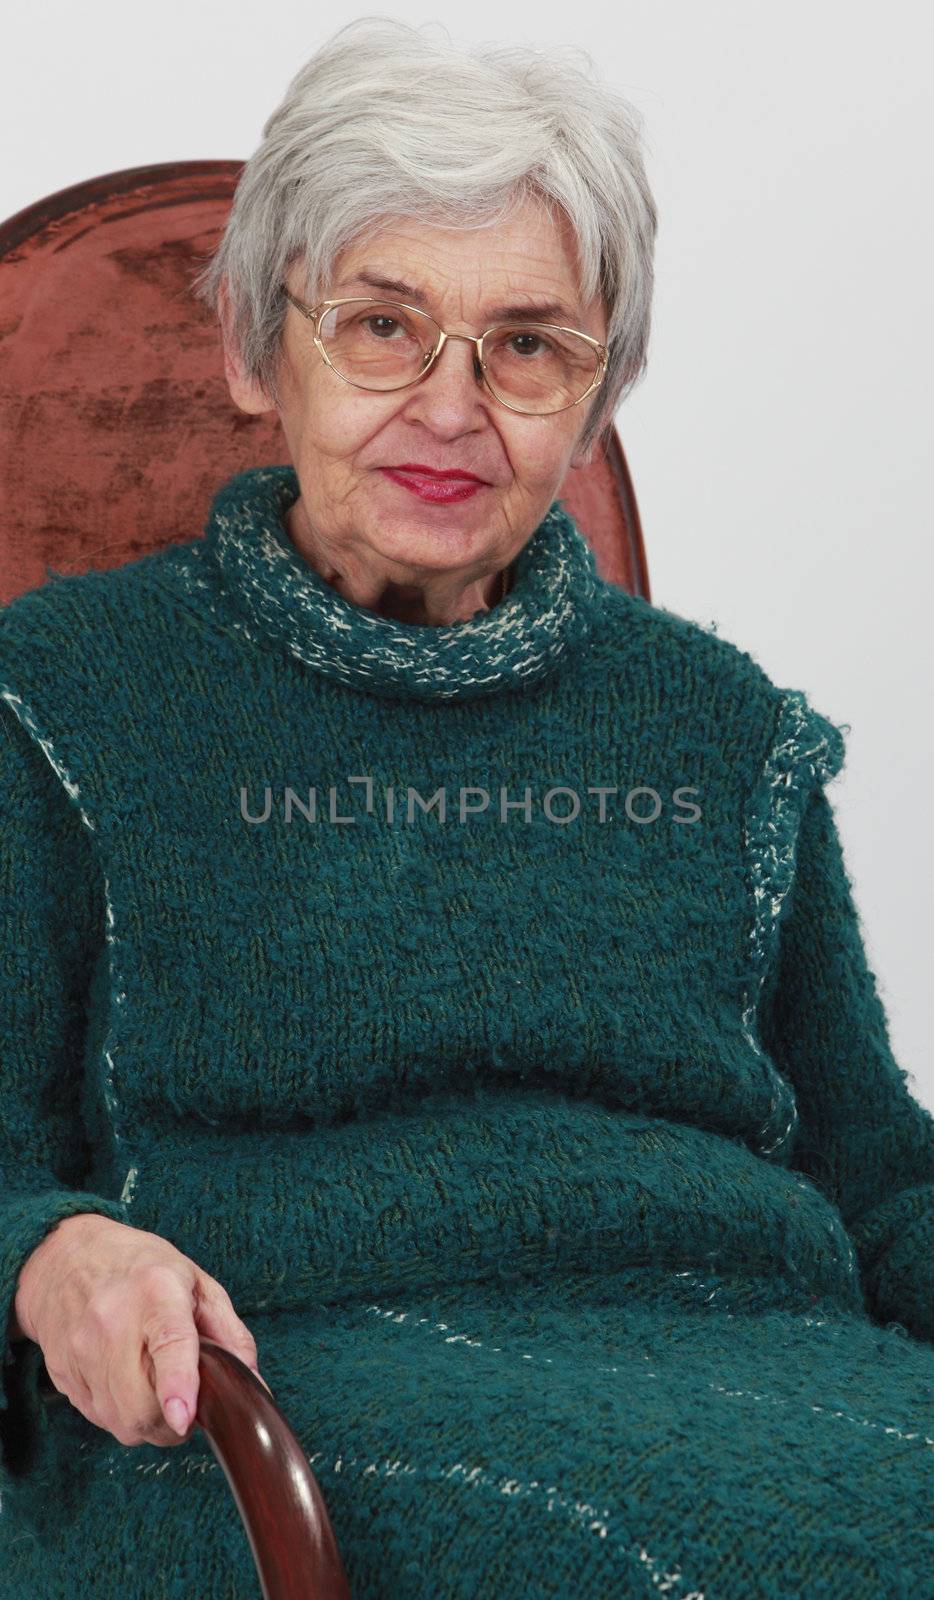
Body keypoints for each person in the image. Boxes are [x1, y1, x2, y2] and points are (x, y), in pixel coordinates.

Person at [1, 16, 931, 1599]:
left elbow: (875, 1175)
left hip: (760, 1351)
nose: (451, 404)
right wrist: (51, 1253)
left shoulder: (720, 729)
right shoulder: (56, 697)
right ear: (250, 344)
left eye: (525, 343)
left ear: (597, 385)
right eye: (381, 324)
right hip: (263, 1382)